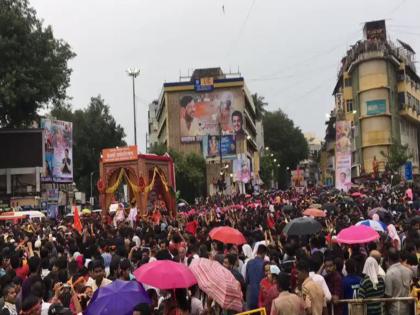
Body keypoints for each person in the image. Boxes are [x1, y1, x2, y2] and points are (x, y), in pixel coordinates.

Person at [384, 248, 413, 315]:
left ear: (388, 258)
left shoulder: (389, 274)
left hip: (394, 310)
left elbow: (388, 295)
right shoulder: (408, 271)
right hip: (407, 309)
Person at [245, 245, 267, 310]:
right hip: (261, 298)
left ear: (257, 252)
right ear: (264, 253)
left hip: (251, 297)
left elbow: (247, 281)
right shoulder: (265, 264)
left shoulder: (249, 263)